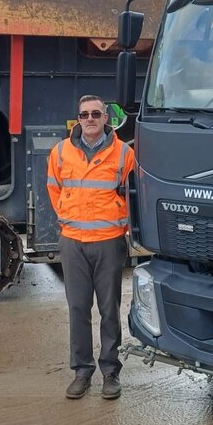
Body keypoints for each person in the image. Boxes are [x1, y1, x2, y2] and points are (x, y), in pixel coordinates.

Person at [47, 95, 135, 400]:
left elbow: (131, 194)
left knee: (109, 310)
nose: (90, 119)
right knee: (77, 309)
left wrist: (117, 221)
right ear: (78, 119)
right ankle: (82, 372)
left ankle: (110, 372)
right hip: (73, 243)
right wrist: (69, 219)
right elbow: (54, 189)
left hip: (109, 242)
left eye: (96, 113)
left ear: (106, 118)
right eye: (84, 114)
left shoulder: (124, 154)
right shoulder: (60, 152)